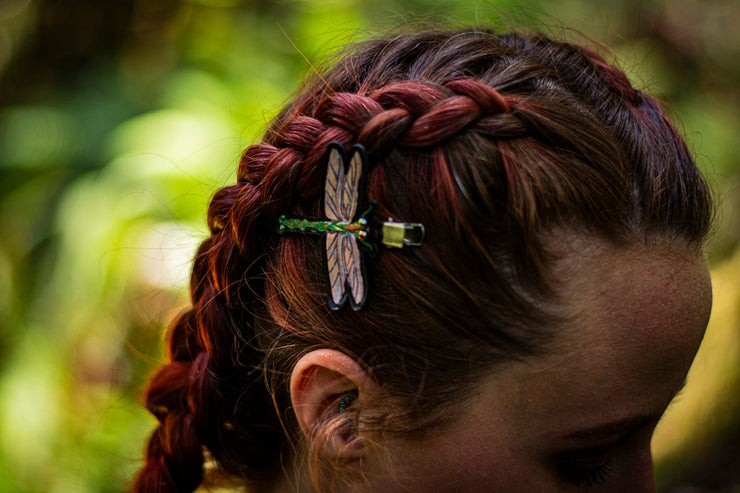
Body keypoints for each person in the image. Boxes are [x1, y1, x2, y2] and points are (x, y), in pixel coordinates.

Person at [132, 28, 713, 492]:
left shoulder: (356, 239)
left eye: (652, 430)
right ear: (343, 412)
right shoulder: (356, 236)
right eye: (586, 462)